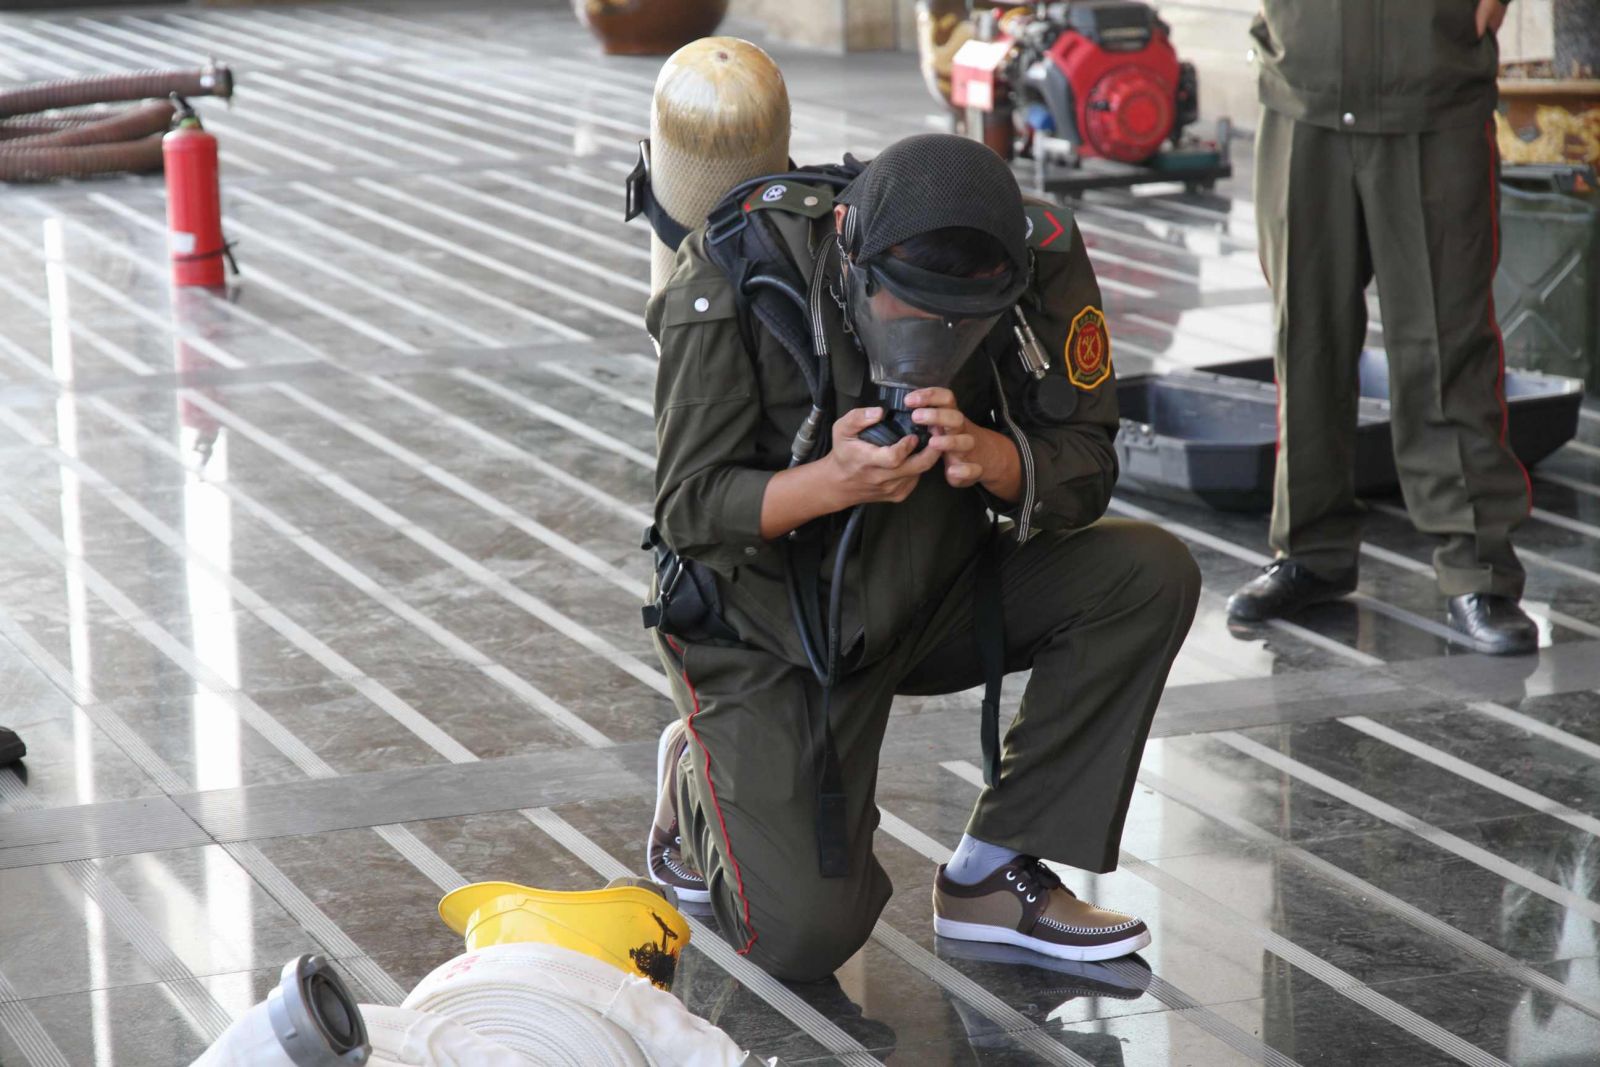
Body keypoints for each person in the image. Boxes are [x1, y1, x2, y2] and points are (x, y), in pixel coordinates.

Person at [641, 133, 1200, 982]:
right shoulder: (735, 271)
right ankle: (701, 779)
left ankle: (991, 876)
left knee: (1144, 574)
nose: (933, 338)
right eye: (906, 308)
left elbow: (1086, 463)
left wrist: (995, 458)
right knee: (803, 937)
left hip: (933, 585)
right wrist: (828, 482)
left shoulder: (1038, 256)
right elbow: (687, 509)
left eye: (962, 323)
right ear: (850, 251)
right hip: (768, 628)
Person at [1226, 0, 1537, 655]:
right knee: (1305, 337)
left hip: (1432, 87)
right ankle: (1308, 550)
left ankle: (1477, 569)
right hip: (1303, 86)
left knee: (1447, 346)